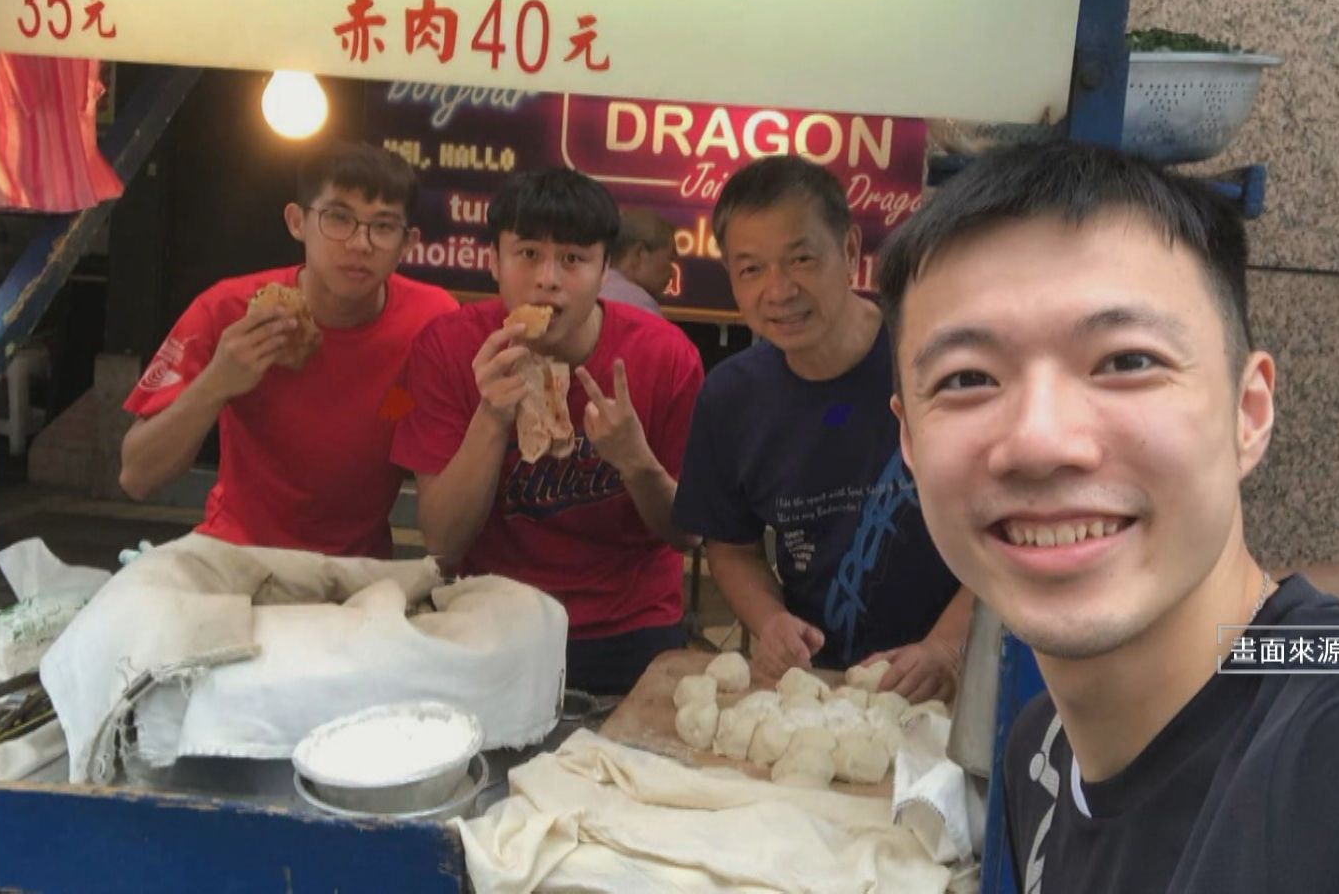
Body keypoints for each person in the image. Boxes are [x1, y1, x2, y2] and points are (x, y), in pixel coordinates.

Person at [878, 141, 1339, 892]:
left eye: (1127, 361)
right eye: (967, 379)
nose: (1039, 442)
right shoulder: (1042, 755)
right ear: (909, 440)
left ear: (1248, 412)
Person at [391, 167, 705, 696]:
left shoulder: (665, 357)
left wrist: (635, 461)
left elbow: (688, 533)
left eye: (573, 259)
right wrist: (491, 417)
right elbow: (443, 543)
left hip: (631, 625)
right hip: (493, 616)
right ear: (494, 261)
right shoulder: (447, 348)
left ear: (605, 270)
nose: (548, 278)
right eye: (528, 253)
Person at [673, 156, 969, 702]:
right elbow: (732, 548)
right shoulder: (731, 398)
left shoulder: (940, 361)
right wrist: (771, 622)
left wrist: (947, 648)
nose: (778, 290)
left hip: (963, 682)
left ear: (850, 251)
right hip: (821, 689)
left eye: (801, 259)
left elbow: (1008, 525)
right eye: (751, 270)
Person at [117, 141, 458, 558]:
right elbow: (136, 476)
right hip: (234, 554)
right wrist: (217, 382)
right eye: (338, 218)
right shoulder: (228, 310)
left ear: (408, 243)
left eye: (383, 226)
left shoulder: (433, 322)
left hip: (356, 570)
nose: (360, 243)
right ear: (297, 222)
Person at [599, 206, 678, 314]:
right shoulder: (639, 305)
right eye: (670, 259)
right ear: (640, 253)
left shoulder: (588, 290)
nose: (672, 273)